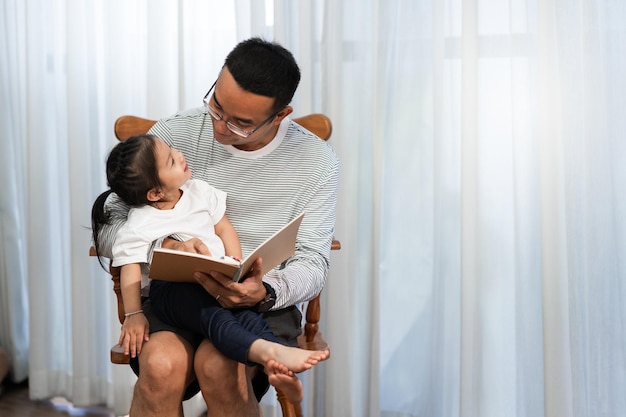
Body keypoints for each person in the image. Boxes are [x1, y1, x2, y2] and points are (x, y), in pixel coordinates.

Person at [97, 37, 339, 416]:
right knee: (160, 366)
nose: (221, 128)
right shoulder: (175, 134)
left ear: (281, 115)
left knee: (219, 364)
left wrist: (264, 292)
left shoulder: (316, 162)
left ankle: (273, 360)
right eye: (217, 106)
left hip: (261, 302)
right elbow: (110, 221)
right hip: (175, 296)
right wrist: (165, 245)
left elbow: (313, 261)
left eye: (241, 123)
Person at [91, 134, 328, 404]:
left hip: (216, 281)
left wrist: (235, 266)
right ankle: (265, 352)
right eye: (170, 160)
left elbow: (224, 227)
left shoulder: (199, 192)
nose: (179, 154)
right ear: (155, 193)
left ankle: (276, 360)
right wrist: (133, 313)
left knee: (243, 313)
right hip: (173, 292)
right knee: (213, 315)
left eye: (173, 149)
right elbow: (129, 268)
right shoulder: (140, 223)